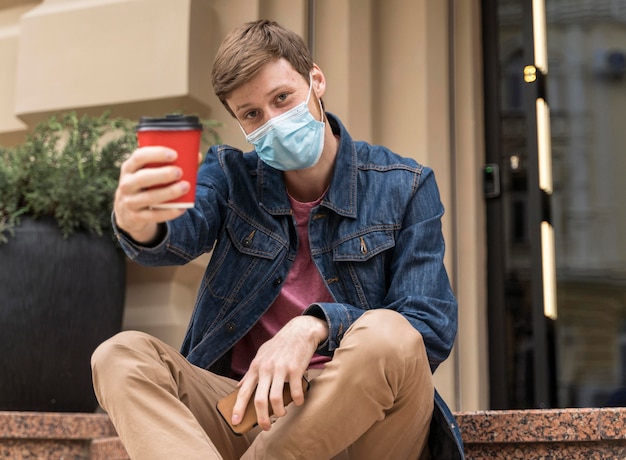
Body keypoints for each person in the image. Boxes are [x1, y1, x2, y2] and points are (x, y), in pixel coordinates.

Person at [91, 19, 464, 460]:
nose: (273, 120)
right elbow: (180, 235)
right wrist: (140, 223)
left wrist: (314, 326)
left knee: (390, 333)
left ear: (316, 80)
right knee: (119, 355)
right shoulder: (232, 178)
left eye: (282, 98)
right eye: (252, 114)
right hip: (250, 416)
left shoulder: (406, 186)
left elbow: (429, 328)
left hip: (366, 423)